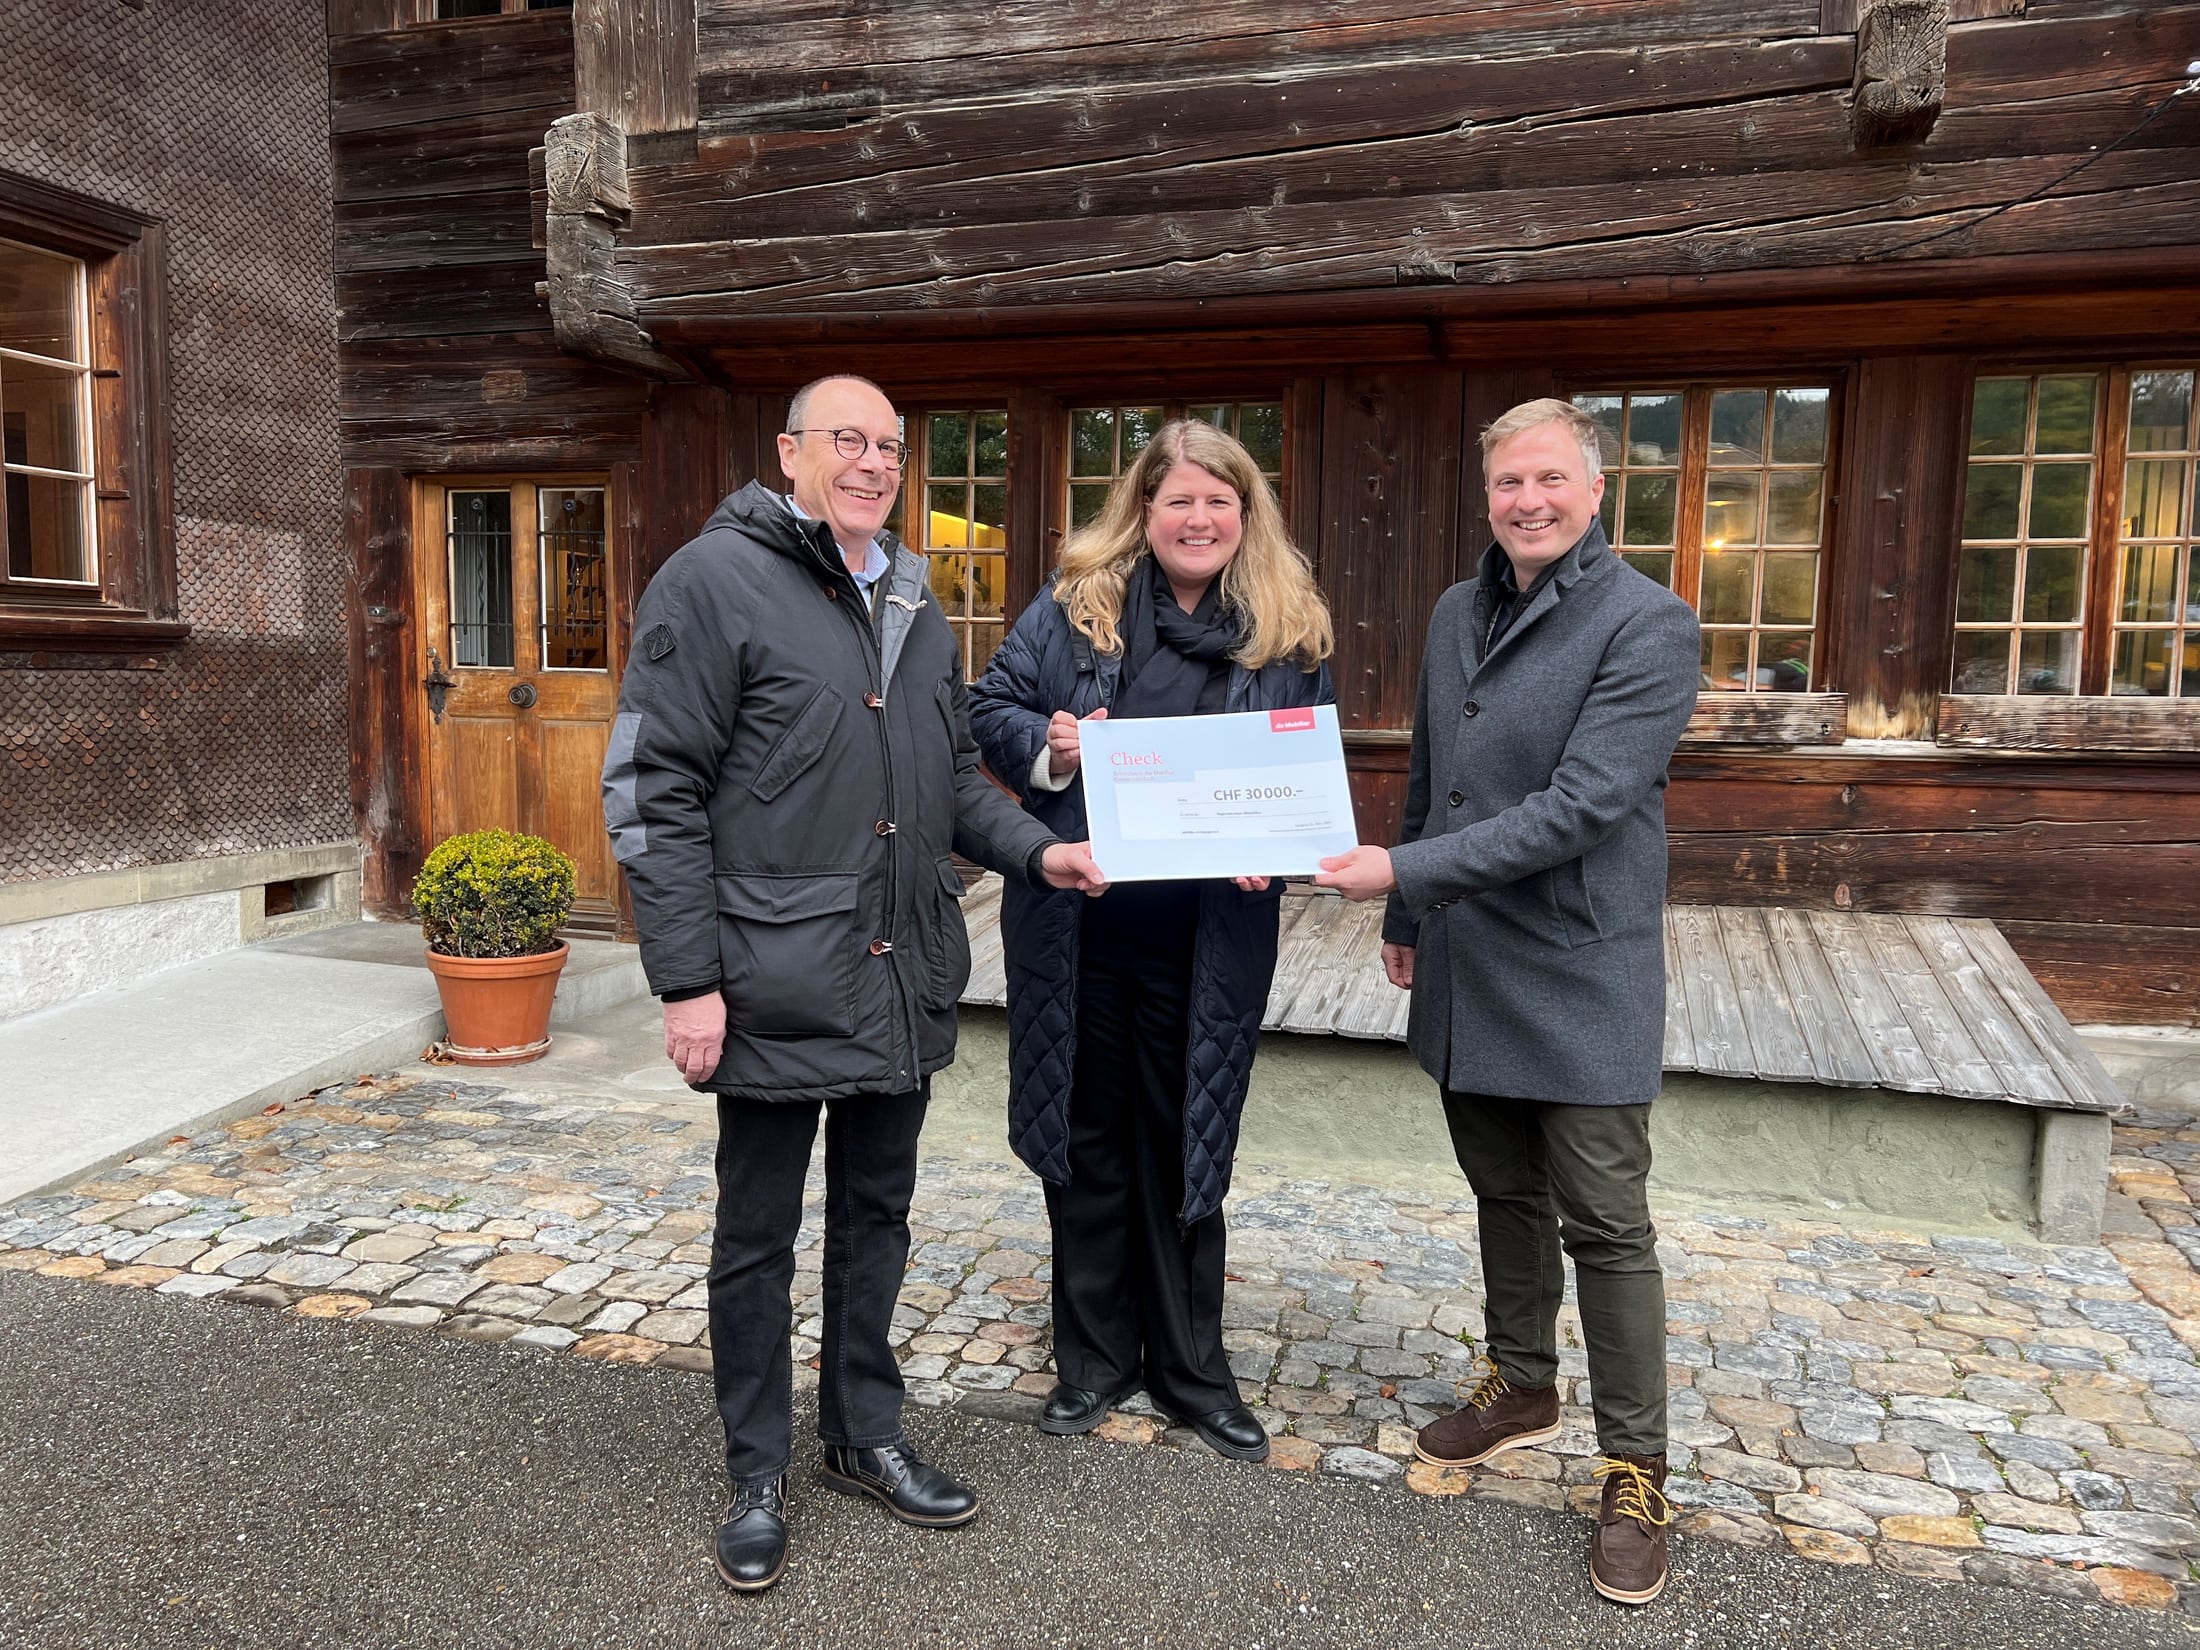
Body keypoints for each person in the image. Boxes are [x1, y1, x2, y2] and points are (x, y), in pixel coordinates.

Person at [601, 374, 1106, 1594]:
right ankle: (756, 1470)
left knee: (877, 1219)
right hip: (770, 976)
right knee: (757, 1237)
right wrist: (687, 983)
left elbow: (945, 787)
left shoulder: (918, 605)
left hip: (901, 972)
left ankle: (861, 1433)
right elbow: (650, 793)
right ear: (792, 452)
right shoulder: (712, 583)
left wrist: (1042, 847)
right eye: (849, 441)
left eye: (889, 446)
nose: (875, 462)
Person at [1315, 398, 1699, 1606]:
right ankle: (1521, 1380)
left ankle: (1637, 1467)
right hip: (1470, 957)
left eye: (1546, 480)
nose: (1524, 502)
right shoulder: (1454, 610)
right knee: (1500, 1186)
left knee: (1605, 1221)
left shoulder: (1649, 623)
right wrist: (1404, 918)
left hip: (1579, 965)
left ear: (1594, 492)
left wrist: (1402, 874)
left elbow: (1583, 806)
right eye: (1504, 485)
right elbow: (1436, 774)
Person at [969, 419, 1334, 1464]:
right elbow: (987, 705)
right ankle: (1091, 1361)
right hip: (1080, 931)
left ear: (1245, 514)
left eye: (1219, 501)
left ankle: (1189, 1370)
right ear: (1143, 510)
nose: (1198, 518)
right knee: (1084, 1145)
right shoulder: (1072, 608)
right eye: (1178, 499)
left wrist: (1279, 844)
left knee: (1186, 1146)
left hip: (1207, 940)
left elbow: (1301, 768)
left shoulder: (1287, 626)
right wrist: (1047, 744)